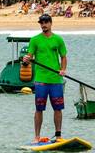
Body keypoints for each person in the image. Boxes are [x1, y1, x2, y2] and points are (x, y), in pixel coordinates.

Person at [21, 13, 68, 143]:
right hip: (41, 80)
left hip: (55, 80)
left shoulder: (58, 40)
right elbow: (28, 58)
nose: (44, 25)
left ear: (51, 23)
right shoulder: (35, 40)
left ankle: (58, 135)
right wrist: (25, 60)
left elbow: (63, 57)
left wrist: (63, 70)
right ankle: (37, 137)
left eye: (46, 22)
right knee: (39, 109)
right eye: (41, 22)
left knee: (58, 108)